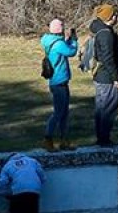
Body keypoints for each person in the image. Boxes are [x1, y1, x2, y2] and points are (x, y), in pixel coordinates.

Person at [90, 4, 118, 147]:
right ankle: (104, 139)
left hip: (101, 76)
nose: (116, 17)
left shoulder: (101, 30)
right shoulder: (106, 34)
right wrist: (116, 78)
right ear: (110, 17)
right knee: (108, 108)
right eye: (114, 15)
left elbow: (115, 46)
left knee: (101, 108)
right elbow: (108, 58)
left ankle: (101, 138)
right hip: (107, 78)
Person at [40, 19, 79, 151]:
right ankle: (48, 138)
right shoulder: (58, 44)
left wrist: (66, 40)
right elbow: (71, 52)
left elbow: (63, 48)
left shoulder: (49, 41)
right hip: (59, 82)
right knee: (58, 113)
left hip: (57, 81)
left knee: (64, 113)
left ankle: (64, 140)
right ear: (59, 30)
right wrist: (73, 40)